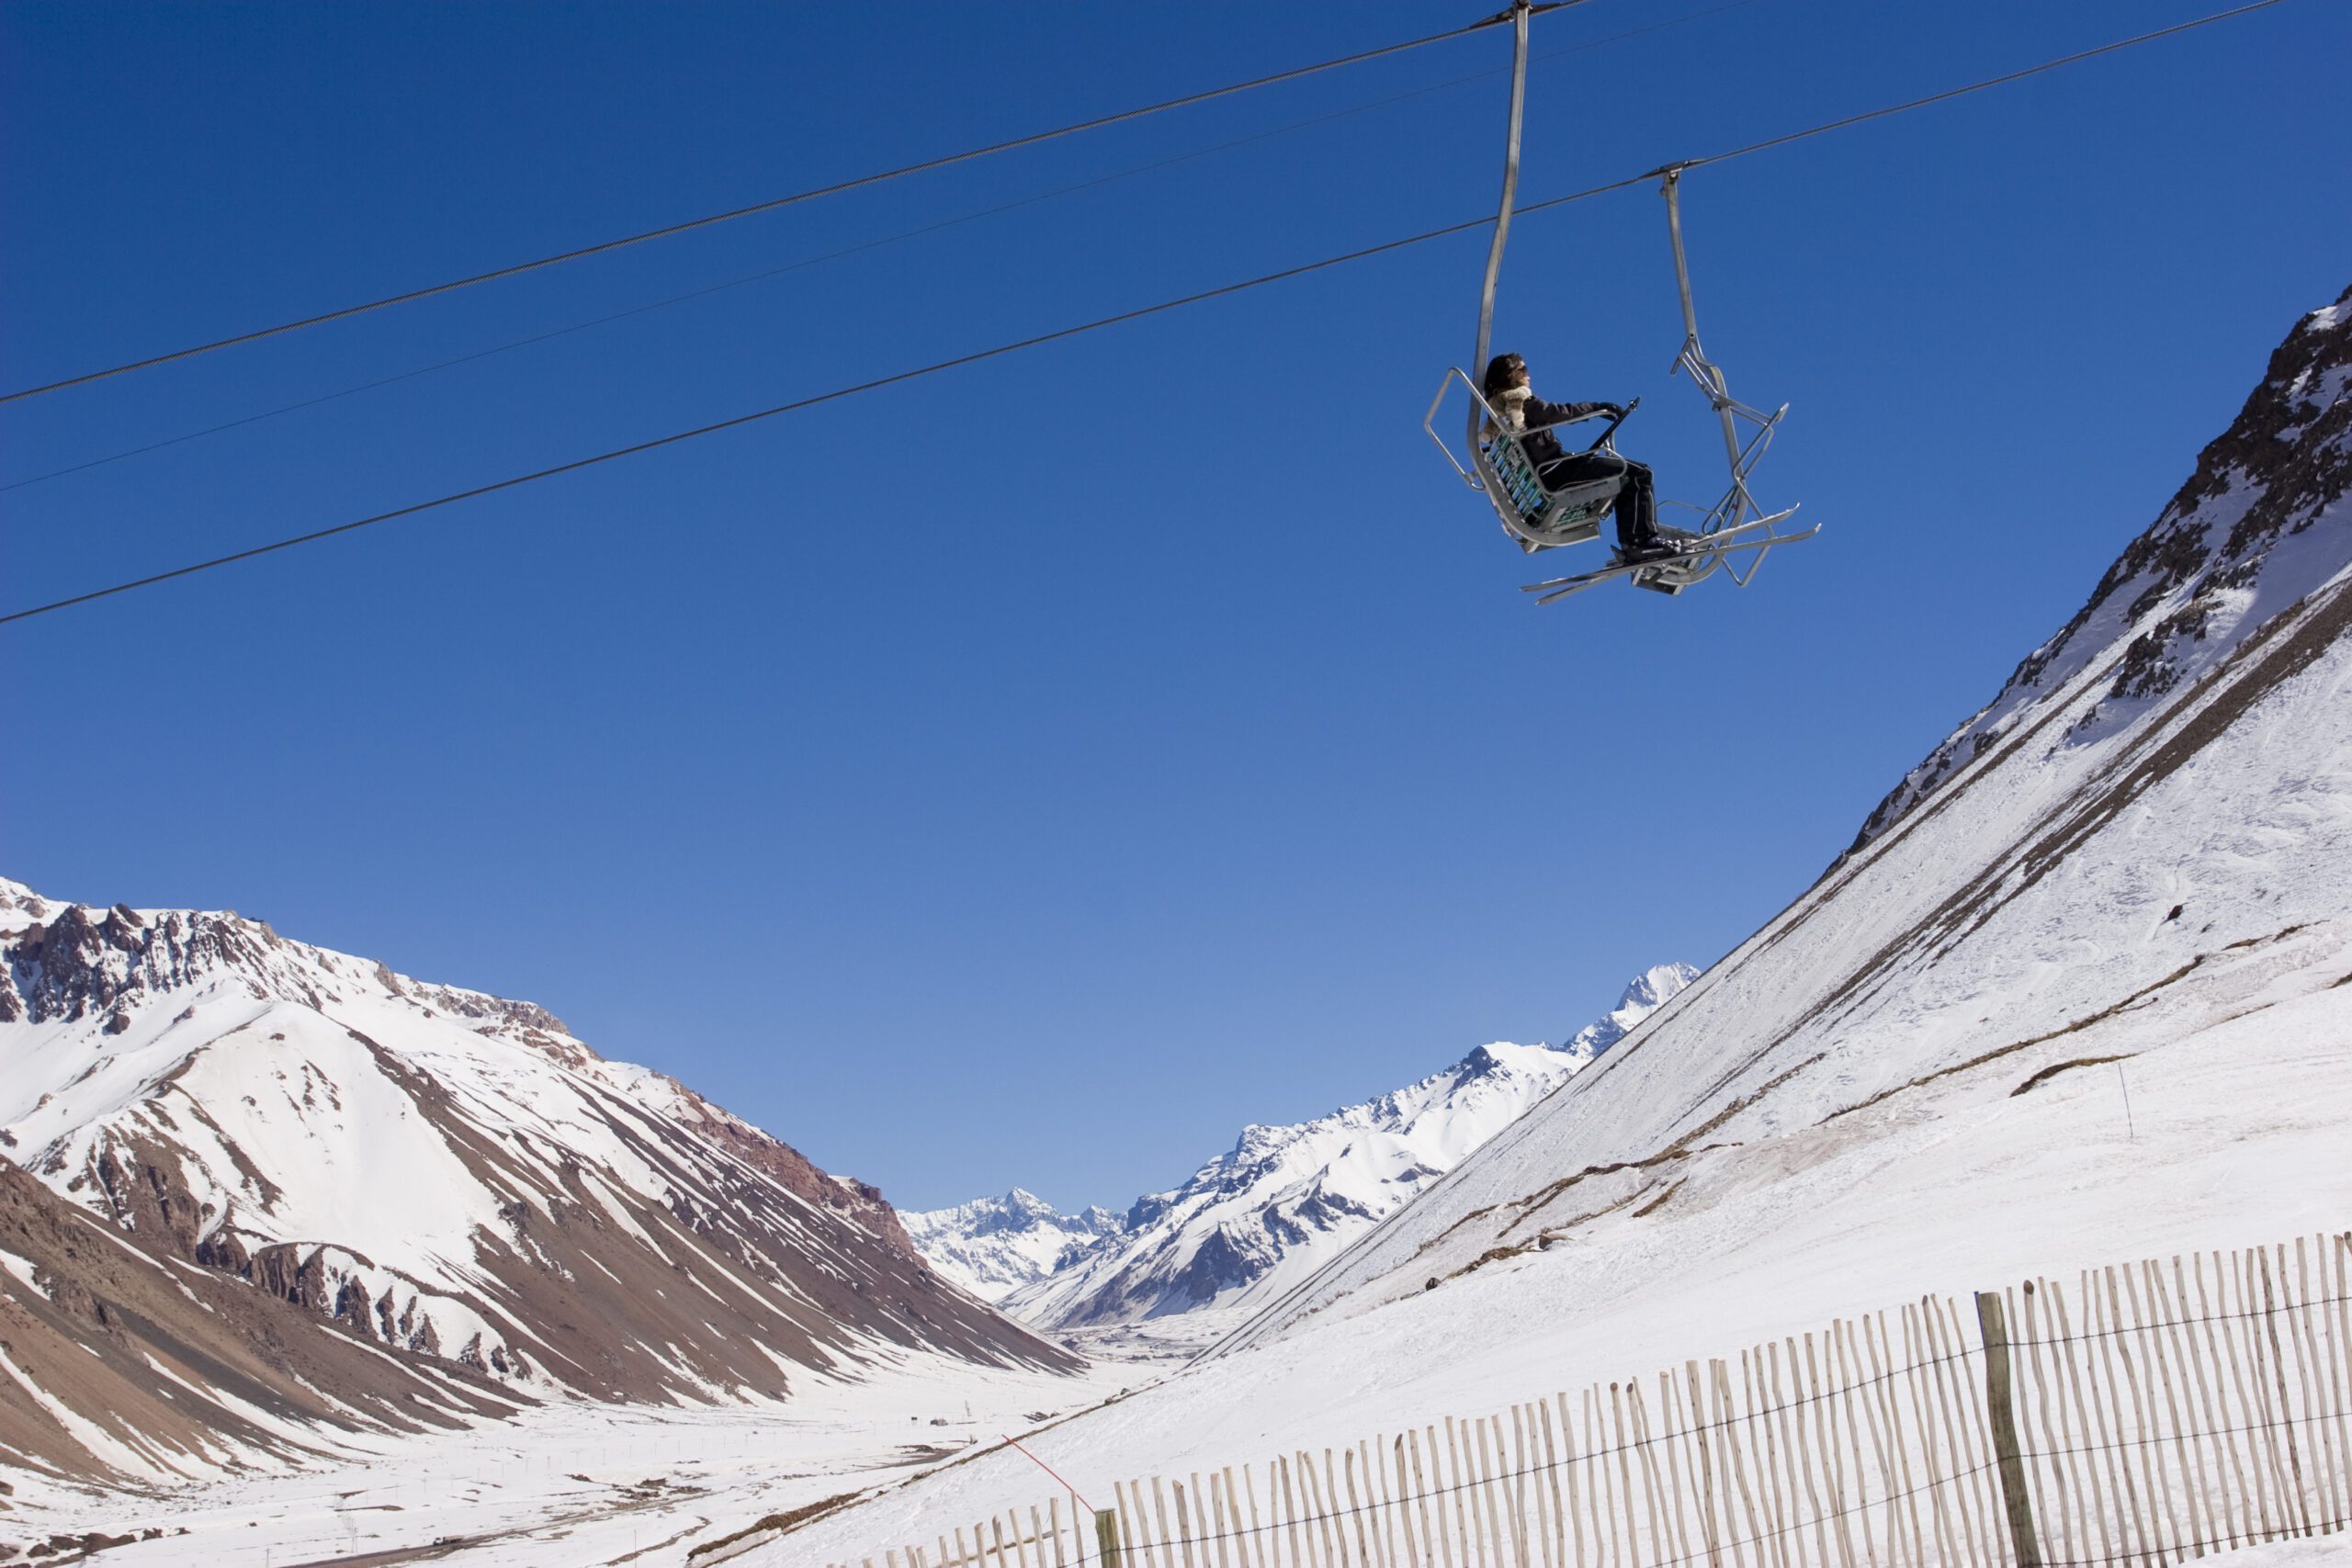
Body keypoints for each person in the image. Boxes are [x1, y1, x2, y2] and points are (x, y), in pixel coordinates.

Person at [1481, 353, 1672, 561]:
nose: (1528, 375)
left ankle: (1635, 541)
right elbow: (1555, 413)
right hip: (1558, 472)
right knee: (1638, 473)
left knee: (1625, 476)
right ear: (1509, 376)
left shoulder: (1500, 416)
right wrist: (1596, 407)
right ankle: (1639, 542)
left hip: (1552, 471)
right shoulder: (1518, 400)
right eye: (1523, 370)